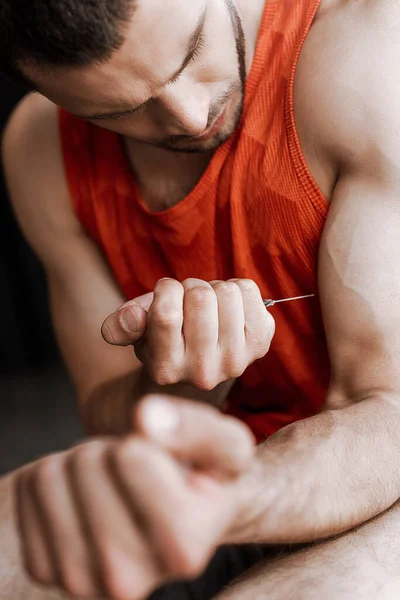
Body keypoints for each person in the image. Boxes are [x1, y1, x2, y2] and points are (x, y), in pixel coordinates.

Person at [2, 0, 400, 597]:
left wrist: (235, 499)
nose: (189, 117)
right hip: (220, 481)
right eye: (121, 110)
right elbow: (107, 409)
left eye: (192, 52)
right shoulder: (39, 148)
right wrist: (187, 377)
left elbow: (388, 411)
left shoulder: (362, 56)